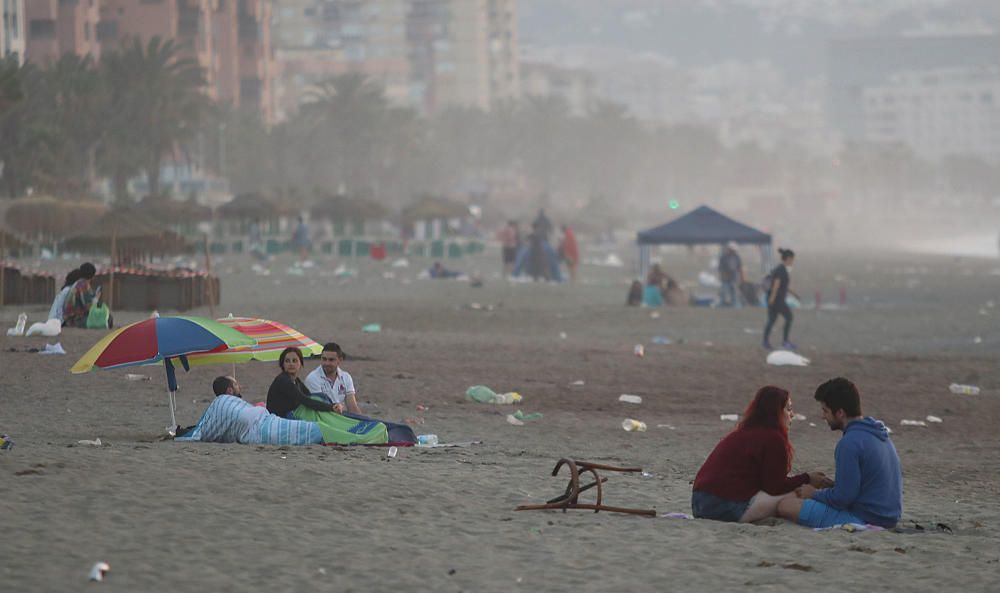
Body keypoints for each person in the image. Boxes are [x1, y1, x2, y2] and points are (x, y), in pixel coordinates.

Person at [692, 386, 832, 523]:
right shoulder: (772, 438)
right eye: (788, 409)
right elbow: (774, 487)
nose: (792, 414)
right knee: (798, 494)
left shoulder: (741, 434)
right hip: (726, 507)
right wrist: (807, 479)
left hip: (699, 504)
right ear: (775, 412)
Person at [777, 378, 903, 529]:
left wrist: (813, 494)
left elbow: (842, 499)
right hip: (889, 517)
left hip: (865, 518)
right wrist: (832, 487)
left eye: (825, 411)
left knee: (786, 505)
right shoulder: (877, 433)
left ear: (840, 413)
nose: (823, 416)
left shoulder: (849, 443)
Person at [175, 375, 324, 445]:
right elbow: (210, 428)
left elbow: (212, 426)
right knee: (313, 430)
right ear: (229, 391)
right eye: (236, 384)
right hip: (256, 427)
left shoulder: (234, 403)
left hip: (262, 419)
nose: (239, 386)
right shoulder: (220, 403)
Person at [266, 347, 340, 418]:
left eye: (294, 361)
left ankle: (334, 413)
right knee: (313, 410)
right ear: (283, 364)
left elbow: (309, 395)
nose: (291, 364)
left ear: (300, 364)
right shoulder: (283, 380)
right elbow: (304, 400)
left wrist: (331, 405)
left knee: (321, 396)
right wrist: (330, 407)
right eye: (287, 361)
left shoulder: (296, 381)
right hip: (281, 418)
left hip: (291, 413)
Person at [303, 342, 362, 415]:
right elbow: (320, 409)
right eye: (324, 359)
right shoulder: (312, 378)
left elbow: (352, 407)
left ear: (340, 360)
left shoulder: (346, 377)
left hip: (339, 417)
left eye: (331, 360)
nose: (327, 363)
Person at [762, 248, 799, 350]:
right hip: (777, 300)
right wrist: (773, 299)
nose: (792, 262)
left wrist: (794, 294)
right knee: (789, 317)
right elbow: (776, 285)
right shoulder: (781, 270)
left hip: (774, 299)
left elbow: (783, 286)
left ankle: (765, 342)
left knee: (772, 320)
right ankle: (785, 342)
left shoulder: (779, 269)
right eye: (792, 259)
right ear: (788, 258)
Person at [63, 262, 98, 328]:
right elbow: (88, 307)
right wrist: (96, 298)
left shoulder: (78, 283)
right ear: (93, 276)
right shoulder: (83, 285)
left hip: (69, 318)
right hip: (74, 320)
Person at [718, 242, 744, 307]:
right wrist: (723, 276)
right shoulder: (723, 257)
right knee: (724, 292)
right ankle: (723, 304)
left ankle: (734, 304)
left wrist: (742, 277)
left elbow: (739, 268)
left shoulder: (737, 257)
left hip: (734, 278)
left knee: (734, 292)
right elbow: (721, 268)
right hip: (725, 278)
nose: (733, 251)